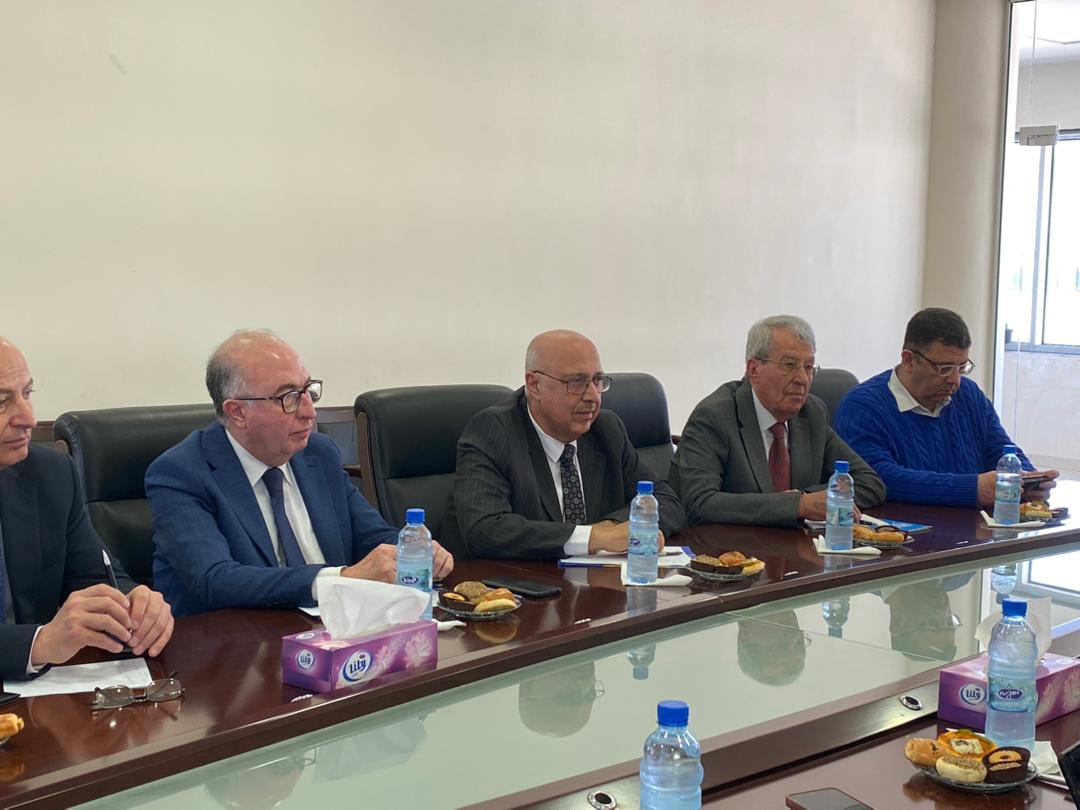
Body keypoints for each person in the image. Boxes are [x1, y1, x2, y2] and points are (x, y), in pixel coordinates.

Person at [146, 330, 453, 617]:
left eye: (307, 391)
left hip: (334, 632)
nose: (309, 412)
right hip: (237, 643)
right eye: (289, 397)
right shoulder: (182, 473)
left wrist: (413, 550)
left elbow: (370, 538)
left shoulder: (318, 454)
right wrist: (339, 579)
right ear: (238, 412)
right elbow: (216, 579)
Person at [0, 337, 173, 679]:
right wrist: (38, 644)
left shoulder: (49, 474)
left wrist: (134, 604)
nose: (29, 418)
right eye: (1, 402)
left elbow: (95, 577)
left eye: (27, 394)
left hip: (37, 698)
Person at [444, 330, 685, 559]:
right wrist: (593, 537)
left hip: (593, 581)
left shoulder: (606, 429)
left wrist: (611, 528)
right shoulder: (494, 431)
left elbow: (667, 502)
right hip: (511, 583)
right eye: (576, 382)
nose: (593, 396)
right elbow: (484, 529)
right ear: (534, 385)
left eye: (598, 381)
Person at [670, 315, 885, 527]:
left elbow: (869, 482)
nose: (802, 379)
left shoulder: (811, 412)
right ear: (754, 370)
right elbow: (698, 503)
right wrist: (796, 504)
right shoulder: (715, 416)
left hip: (797, 545)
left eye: (809, 367)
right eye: (789, 365)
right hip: (733, 546)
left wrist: (805, 500)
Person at [834, 307, 1058, 507]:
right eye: (944, 368)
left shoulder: (968, 394)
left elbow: (1000, 449)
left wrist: (1028, 478)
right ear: (909, 360)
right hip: (904, 533)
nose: (955, 380)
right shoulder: (863, 406)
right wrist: (972, 489)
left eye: (962, 367)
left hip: (976, 529)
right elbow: (878, 479)